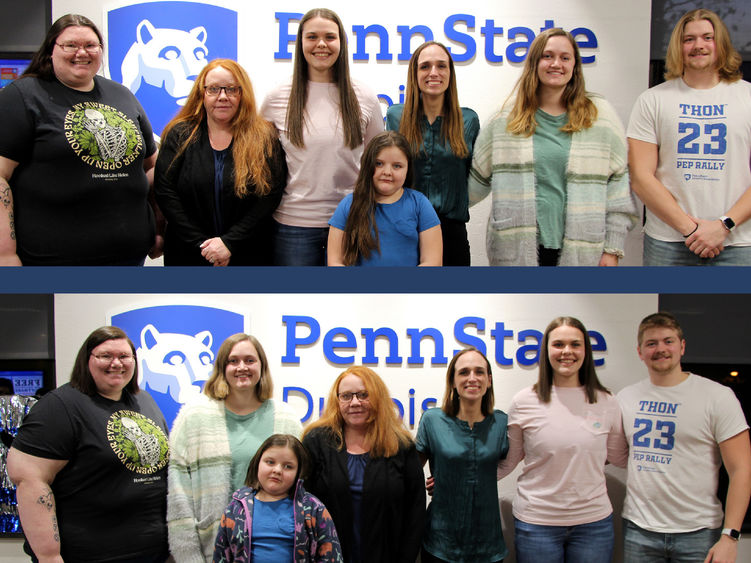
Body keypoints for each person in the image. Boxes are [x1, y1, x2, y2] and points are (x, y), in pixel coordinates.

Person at [0, 14, 160, 266]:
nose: (81, 52)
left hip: (130, 258)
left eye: (90, 45)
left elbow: (152, 167)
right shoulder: (22, 97)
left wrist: (158, 227)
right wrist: (4, 255)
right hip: (55, 264)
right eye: (70, 45)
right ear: (51, 50)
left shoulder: (121, 95)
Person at [468, 28, 636, 266]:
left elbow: (619, 187)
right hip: (514, 252)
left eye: (565, 58)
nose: (556, 63)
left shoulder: (600, 116)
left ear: (574, 66)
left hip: (585, 252)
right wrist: (423, 208)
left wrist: (613, 248)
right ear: (534, 62)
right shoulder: (504, 119)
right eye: (547, 56)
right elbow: (474, 183)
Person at [7, 326, 169, 562]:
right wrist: (49, 556)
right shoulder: (59, 407)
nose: (116, 363)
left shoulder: (143, 400)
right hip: (88, 554)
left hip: (151, 552)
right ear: (86, 360)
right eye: (105, 356)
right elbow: (30, 480)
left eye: (124, 356)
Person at [617, 312, 751, 562]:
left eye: (668, 341)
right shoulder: (625, 398)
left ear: (682, 346)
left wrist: (730, 536)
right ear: (640, 352)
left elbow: (742, 470)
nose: (661, 349)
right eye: (651, 343)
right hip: (639, 531)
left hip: (699, 532)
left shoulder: (717, 397)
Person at [497, 317, 627, 563]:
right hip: (536, 524)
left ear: (585, 351)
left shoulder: (607, 402)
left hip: (593, 525)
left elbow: (619, 457)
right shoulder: (524, 401)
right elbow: (509, 461)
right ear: (546, 350)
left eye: (575, 344)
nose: (567, 351)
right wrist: (456, 478)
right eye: (558, 344)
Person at [627, 9, 751, 265]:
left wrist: (724, 225)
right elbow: (641, 177)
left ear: (721, 44)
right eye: (688, 39)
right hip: (668, 242)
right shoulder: (653, 100)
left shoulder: (747, 97)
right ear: (678, 47)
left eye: (708, 37)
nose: (698, 46)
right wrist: (691, 230)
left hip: (737, 242)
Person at [261, 8, 384, 266]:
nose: (321, 44)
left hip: (350, 224)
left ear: (341, 42)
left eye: (330, 37)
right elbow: (259, 164)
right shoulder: (276, 97)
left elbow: (377, 162)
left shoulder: (364, 96)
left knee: (347, 304)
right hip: (293, 227)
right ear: (300, 43)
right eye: (312, 37)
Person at [168, 333, 302, 563]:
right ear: (222, 367)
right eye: (233, 361)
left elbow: (299, 490)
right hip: (210, 548)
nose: (242, 367)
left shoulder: (286, 419)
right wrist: (187, 554)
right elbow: (178, 493)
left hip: (272, 550)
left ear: (262, 366)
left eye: (250, 360)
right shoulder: (194, 416)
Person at [154, 59, 286, 266]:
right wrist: (204, 246)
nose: (223, 96)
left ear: (242, 94)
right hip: (188, 252)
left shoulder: (264, 136)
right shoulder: (179, 135)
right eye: (214, 89)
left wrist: (229, 243)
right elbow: (165, 192)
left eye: (231, 89)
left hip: (248, 252)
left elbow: (270, 195)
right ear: (202, 94)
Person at [301, 366, 425, 562]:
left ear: (377, 397)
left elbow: (415, 512)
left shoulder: (401, 445)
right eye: (347, 396)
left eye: (363, 395)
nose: (355, 402)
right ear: (337, 400)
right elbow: (302, 505)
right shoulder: (316, 441)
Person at [386, 41, 479, 266]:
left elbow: (475, 177)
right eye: (425, 66)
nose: (434, 73)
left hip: (452, 234)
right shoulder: (395, 116)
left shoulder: (469, 120)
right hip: (404, 229)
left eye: (441, 66)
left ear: (450, 73)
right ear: (414, 73)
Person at [416, 348, 509, 562]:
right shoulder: (432, 420)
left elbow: (509, 463)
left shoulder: (502, 423)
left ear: (489, 379)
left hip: (488, 544)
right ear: (453, 381)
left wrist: (467, 479)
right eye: (464, 372)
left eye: (479, 372)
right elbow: (409, 472)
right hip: (441, 543)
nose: (472, 378)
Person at [213, 434, 343, 562]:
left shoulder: (313, 509)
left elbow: (331, 556)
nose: (277, 470)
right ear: (257, 462)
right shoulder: (235, 508)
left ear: (298, 473)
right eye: (270, 462)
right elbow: (221, 555)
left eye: (288, 466)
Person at [327, 131, 442, 266]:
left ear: (408, 169)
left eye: (397, 166)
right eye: (379, 164)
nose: (387, 172)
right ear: (367, 164)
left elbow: (433, 262)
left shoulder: (420, 204)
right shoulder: (348, 204)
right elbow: (335, 261)